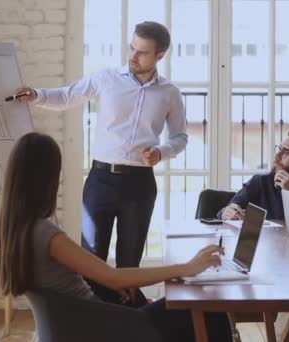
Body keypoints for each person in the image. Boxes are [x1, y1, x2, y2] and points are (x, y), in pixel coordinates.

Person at [0, 132, 232, 342]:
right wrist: (186, 267)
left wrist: (110, 286)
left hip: (82, 322)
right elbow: (114, 277)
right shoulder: (47, 235)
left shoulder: (14, 230)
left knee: (189, 309)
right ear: (45, 179)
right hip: (103, 328)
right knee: (209, 309)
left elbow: (88, 278)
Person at [15, 21, 186, 304]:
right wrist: (37, 95)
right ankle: (93, 324)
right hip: (100, 181)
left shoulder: (169, 93)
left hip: (140, 184)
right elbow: (68, 95)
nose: (133, 56)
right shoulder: (106, 79)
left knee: (129, 264)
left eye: (142, 52)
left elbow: (180, 137)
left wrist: (161, 151)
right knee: (90, 259)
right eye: (132, 47)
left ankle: (129, 327)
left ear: (160, 55)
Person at [217, 126, 289, 220]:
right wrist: (226, 213)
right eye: (279, 149)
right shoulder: (260, 182)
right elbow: (225, 211)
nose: (277, 156)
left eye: (286, 152)